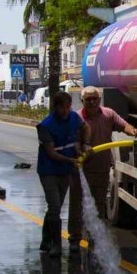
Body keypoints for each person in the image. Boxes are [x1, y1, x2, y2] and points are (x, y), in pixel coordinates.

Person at [68, 86, 137, 255]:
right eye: (88, 99)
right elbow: (72, 140)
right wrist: (79, 150)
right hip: (81, 170)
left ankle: (94, 237)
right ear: (82, 101)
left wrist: (134, 131)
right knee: (77, 205)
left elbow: (123, 125)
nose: (92, 102)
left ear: (100, 99)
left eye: (95, 98)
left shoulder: (108, 114)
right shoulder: (77, 119)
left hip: (101, 170)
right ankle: (74, 238)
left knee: (99, 205)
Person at [36, 91, 90, 260]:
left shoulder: (74, 118)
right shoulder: (46, 126)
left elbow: (85, 127)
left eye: (68, 107)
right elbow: (51, 153)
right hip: (49, 170)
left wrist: (85, 143)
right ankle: (56, 245)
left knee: (55, 207)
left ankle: (46, 241)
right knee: (54, 205)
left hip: (65, 170)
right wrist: (71, 160)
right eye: (62, 107)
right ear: (55, 107)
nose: (66, 111)